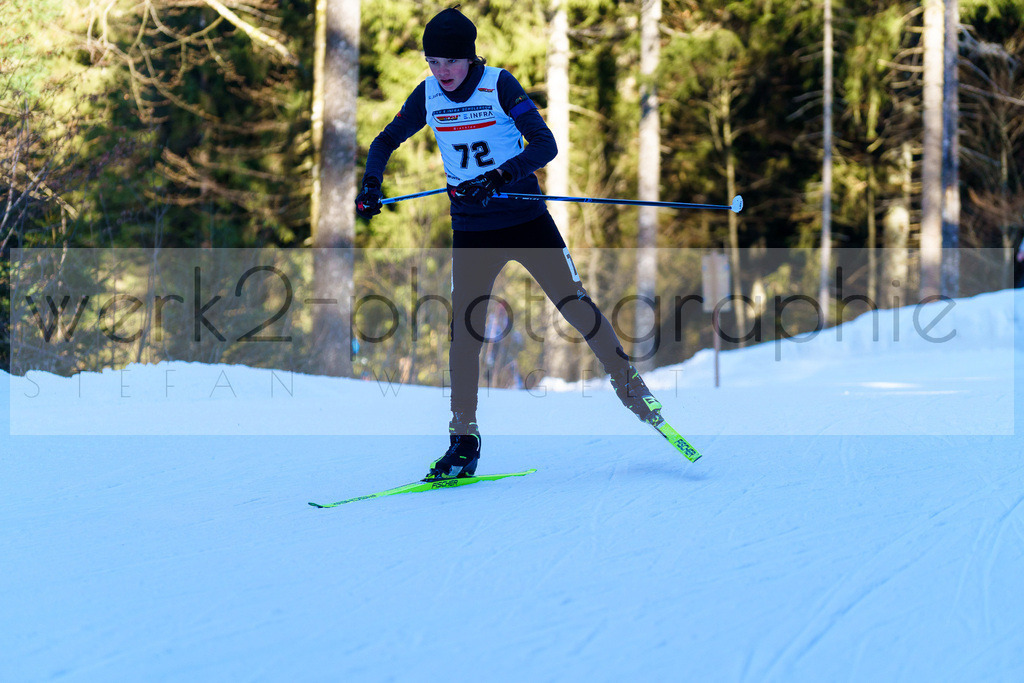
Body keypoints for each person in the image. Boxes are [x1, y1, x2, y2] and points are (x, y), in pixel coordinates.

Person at [356, 7, 663, 480]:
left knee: (573, 305)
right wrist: (372, 185)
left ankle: (631, 389)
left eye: (450, 63)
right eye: (433, 62)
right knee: (465, 331)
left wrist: (498, 176)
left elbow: (544, 145)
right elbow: (384, 140)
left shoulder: (499, 85)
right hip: (473, 229)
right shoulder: (428, 94)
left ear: (469, 56)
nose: (442, 73)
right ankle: (463, 439)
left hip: (525, 219)